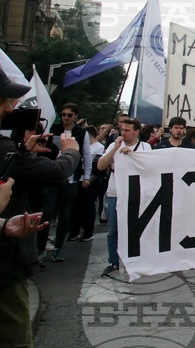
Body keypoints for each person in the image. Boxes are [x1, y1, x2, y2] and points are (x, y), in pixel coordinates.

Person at [0, 69, 81, 346]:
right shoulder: (2, 148)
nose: (10, 107)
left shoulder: (10, 149)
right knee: (14, 336)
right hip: (4, 264)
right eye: (5, 100)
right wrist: (71, 151)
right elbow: (56, 173)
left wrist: (22, 150)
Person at [96, 117, 150, 276]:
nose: (123, 133)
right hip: (115, 193)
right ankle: (113, 261)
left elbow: (149, 167)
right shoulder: (114, 145)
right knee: (113, 230)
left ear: (136, 132)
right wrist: (115, 149)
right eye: (122, 130)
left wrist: (133, 155)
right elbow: (100, 166)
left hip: (136, 193)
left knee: (135, 229)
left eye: (127, 130)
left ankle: (135, 260)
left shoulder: (145, 147)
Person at [48, 104, 93, 263]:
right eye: (63, 114)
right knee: (47, 213)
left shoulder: (81, 133)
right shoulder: (53, 129)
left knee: (65, 215)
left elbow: (86, 155)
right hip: (52, 177)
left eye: (69, 115)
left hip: (71, 178)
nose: (66, 118)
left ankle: (58, 249)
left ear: (75, 116)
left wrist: (86, 176)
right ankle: (41, 249)